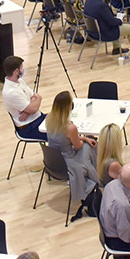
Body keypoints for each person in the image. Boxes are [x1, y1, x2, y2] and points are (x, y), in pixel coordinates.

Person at [46, 90, 100, 222]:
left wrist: (84, 138)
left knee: (88, 142)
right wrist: (85, 140)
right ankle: (95, 177)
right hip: (69, 160)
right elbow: (78, 146)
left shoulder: (49, 119)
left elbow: (68, 139)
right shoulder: (70, 127)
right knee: (92, 146)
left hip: (53, 160)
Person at [2, 56, 46, 141]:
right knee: (63, 133)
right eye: (22, 67)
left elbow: (35, 96)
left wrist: (28, 111)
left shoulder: (19, 81)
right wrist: (34, 105)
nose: (23, 69)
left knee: (65, 122)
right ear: (16, 71)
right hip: (29, 127)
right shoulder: (11, 92)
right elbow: (34, 106)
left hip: (38, 117)